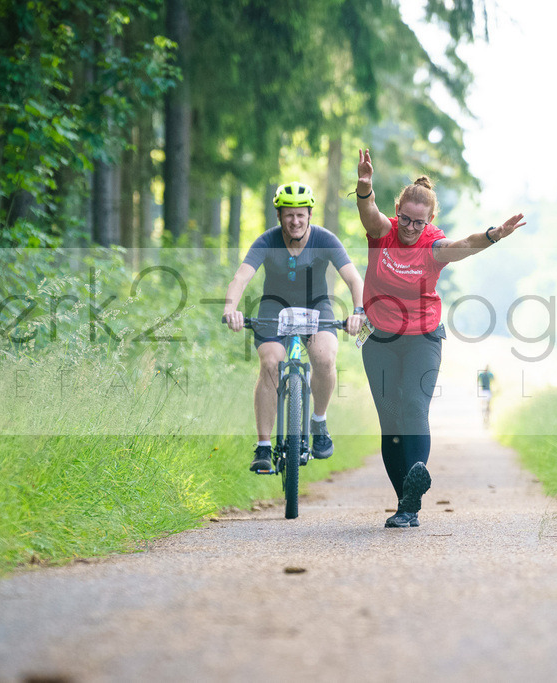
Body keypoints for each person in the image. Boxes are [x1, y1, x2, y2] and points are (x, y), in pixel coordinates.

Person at [354, 149, 526, 528]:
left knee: (414, 408)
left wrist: (495, 234)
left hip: (423, 337)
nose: (410, 228)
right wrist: (365, 189)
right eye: (405, 219)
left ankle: (408, 506)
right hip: (379, 338)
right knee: (391, 420)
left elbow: (463, 245)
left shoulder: (433, 246)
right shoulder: (383, 234)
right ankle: (405, 498)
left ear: (430, 220)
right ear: (397, 211)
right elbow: (370, 215)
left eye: (419, 222)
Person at [223, 181, 365, 472]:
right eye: (289, 215)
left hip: (317, 308)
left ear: (310, 214)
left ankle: (319, 422)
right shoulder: (266, 241)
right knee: (271, 363)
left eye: (301, 214)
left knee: (325, 358)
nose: (295, 220)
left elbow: (353, 279)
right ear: (279, 216)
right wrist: (230, 308)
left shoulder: (325, 239)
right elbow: (240, 278)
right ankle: (263, 446)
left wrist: (358, 312)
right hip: (274, 309)